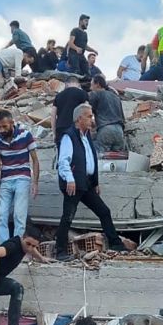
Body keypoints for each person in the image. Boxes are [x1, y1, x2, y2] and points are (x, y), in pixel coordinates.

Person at [54, 104, 126, 261]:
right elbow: (63, 161)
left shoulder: (86, 136)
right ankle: (60, 251)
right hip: (74, 183)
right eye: (88, 116)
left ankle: (116, 244)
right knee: (68, 217)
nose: (91, 119)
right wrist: (70, 179)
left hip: (86, 183)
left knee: (104, 211)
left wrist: (95, 182)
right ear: (79, 118)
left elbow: (90, 160)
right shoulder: (69, 136)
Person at [0, 109, 39, 243]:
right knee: (1, 215)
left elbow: (35, 160)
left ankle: (16, 247)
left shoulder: (25, 135)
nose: (1, 130)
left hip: (22, 178)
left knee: (19, 214)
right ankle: (4, 246)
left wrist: (35, 182)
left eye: (4, 126)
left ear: (12, 123)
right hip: (5, 180)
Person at [89, 75, 127, 152]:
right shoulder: (116, 97)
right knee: (117, 160)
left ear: (98, 84)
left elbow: (88, 112)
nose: (90, 88)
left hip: (106, 129)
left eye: (91, 84)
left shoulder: (96, 94)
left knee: (100, 158)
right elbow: (123, 118)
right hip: (119, 131)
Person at [52, 75, 89, 145]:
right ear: (78, 84)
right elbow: (87, 111)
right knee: (78, 153)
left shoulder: (58, 95)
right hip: (77, 128)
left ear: (66, 84)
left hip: (61, 128)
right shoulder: (83, 94)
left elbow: (53, 115)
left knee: (63, 153)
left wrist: (54, 133)